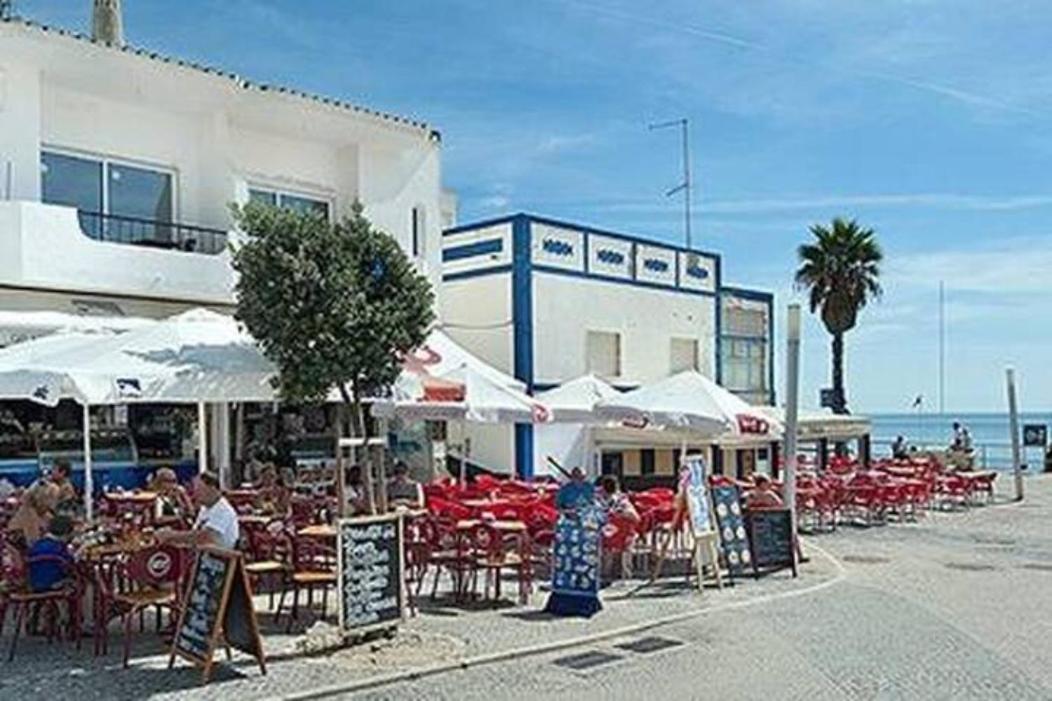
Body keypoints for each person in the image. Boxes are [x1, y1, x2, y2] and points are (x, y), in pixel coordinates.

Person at [156, 471, 239, 550]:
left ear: (212, 488)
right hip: (198, 557)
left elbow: (205, 537)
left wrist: (172, 535)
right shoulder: (205, 508)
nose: (195, 493)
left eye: (199, 488)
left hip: (214, 562)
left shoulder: (222, 510)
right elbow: (194, 534)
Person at [26, 514, 75, 592]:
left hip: (35, 582)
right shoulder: (58, 547)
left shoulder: (38, 544)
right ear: (66, 533)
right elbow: (70, 563)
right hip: (53, 583)